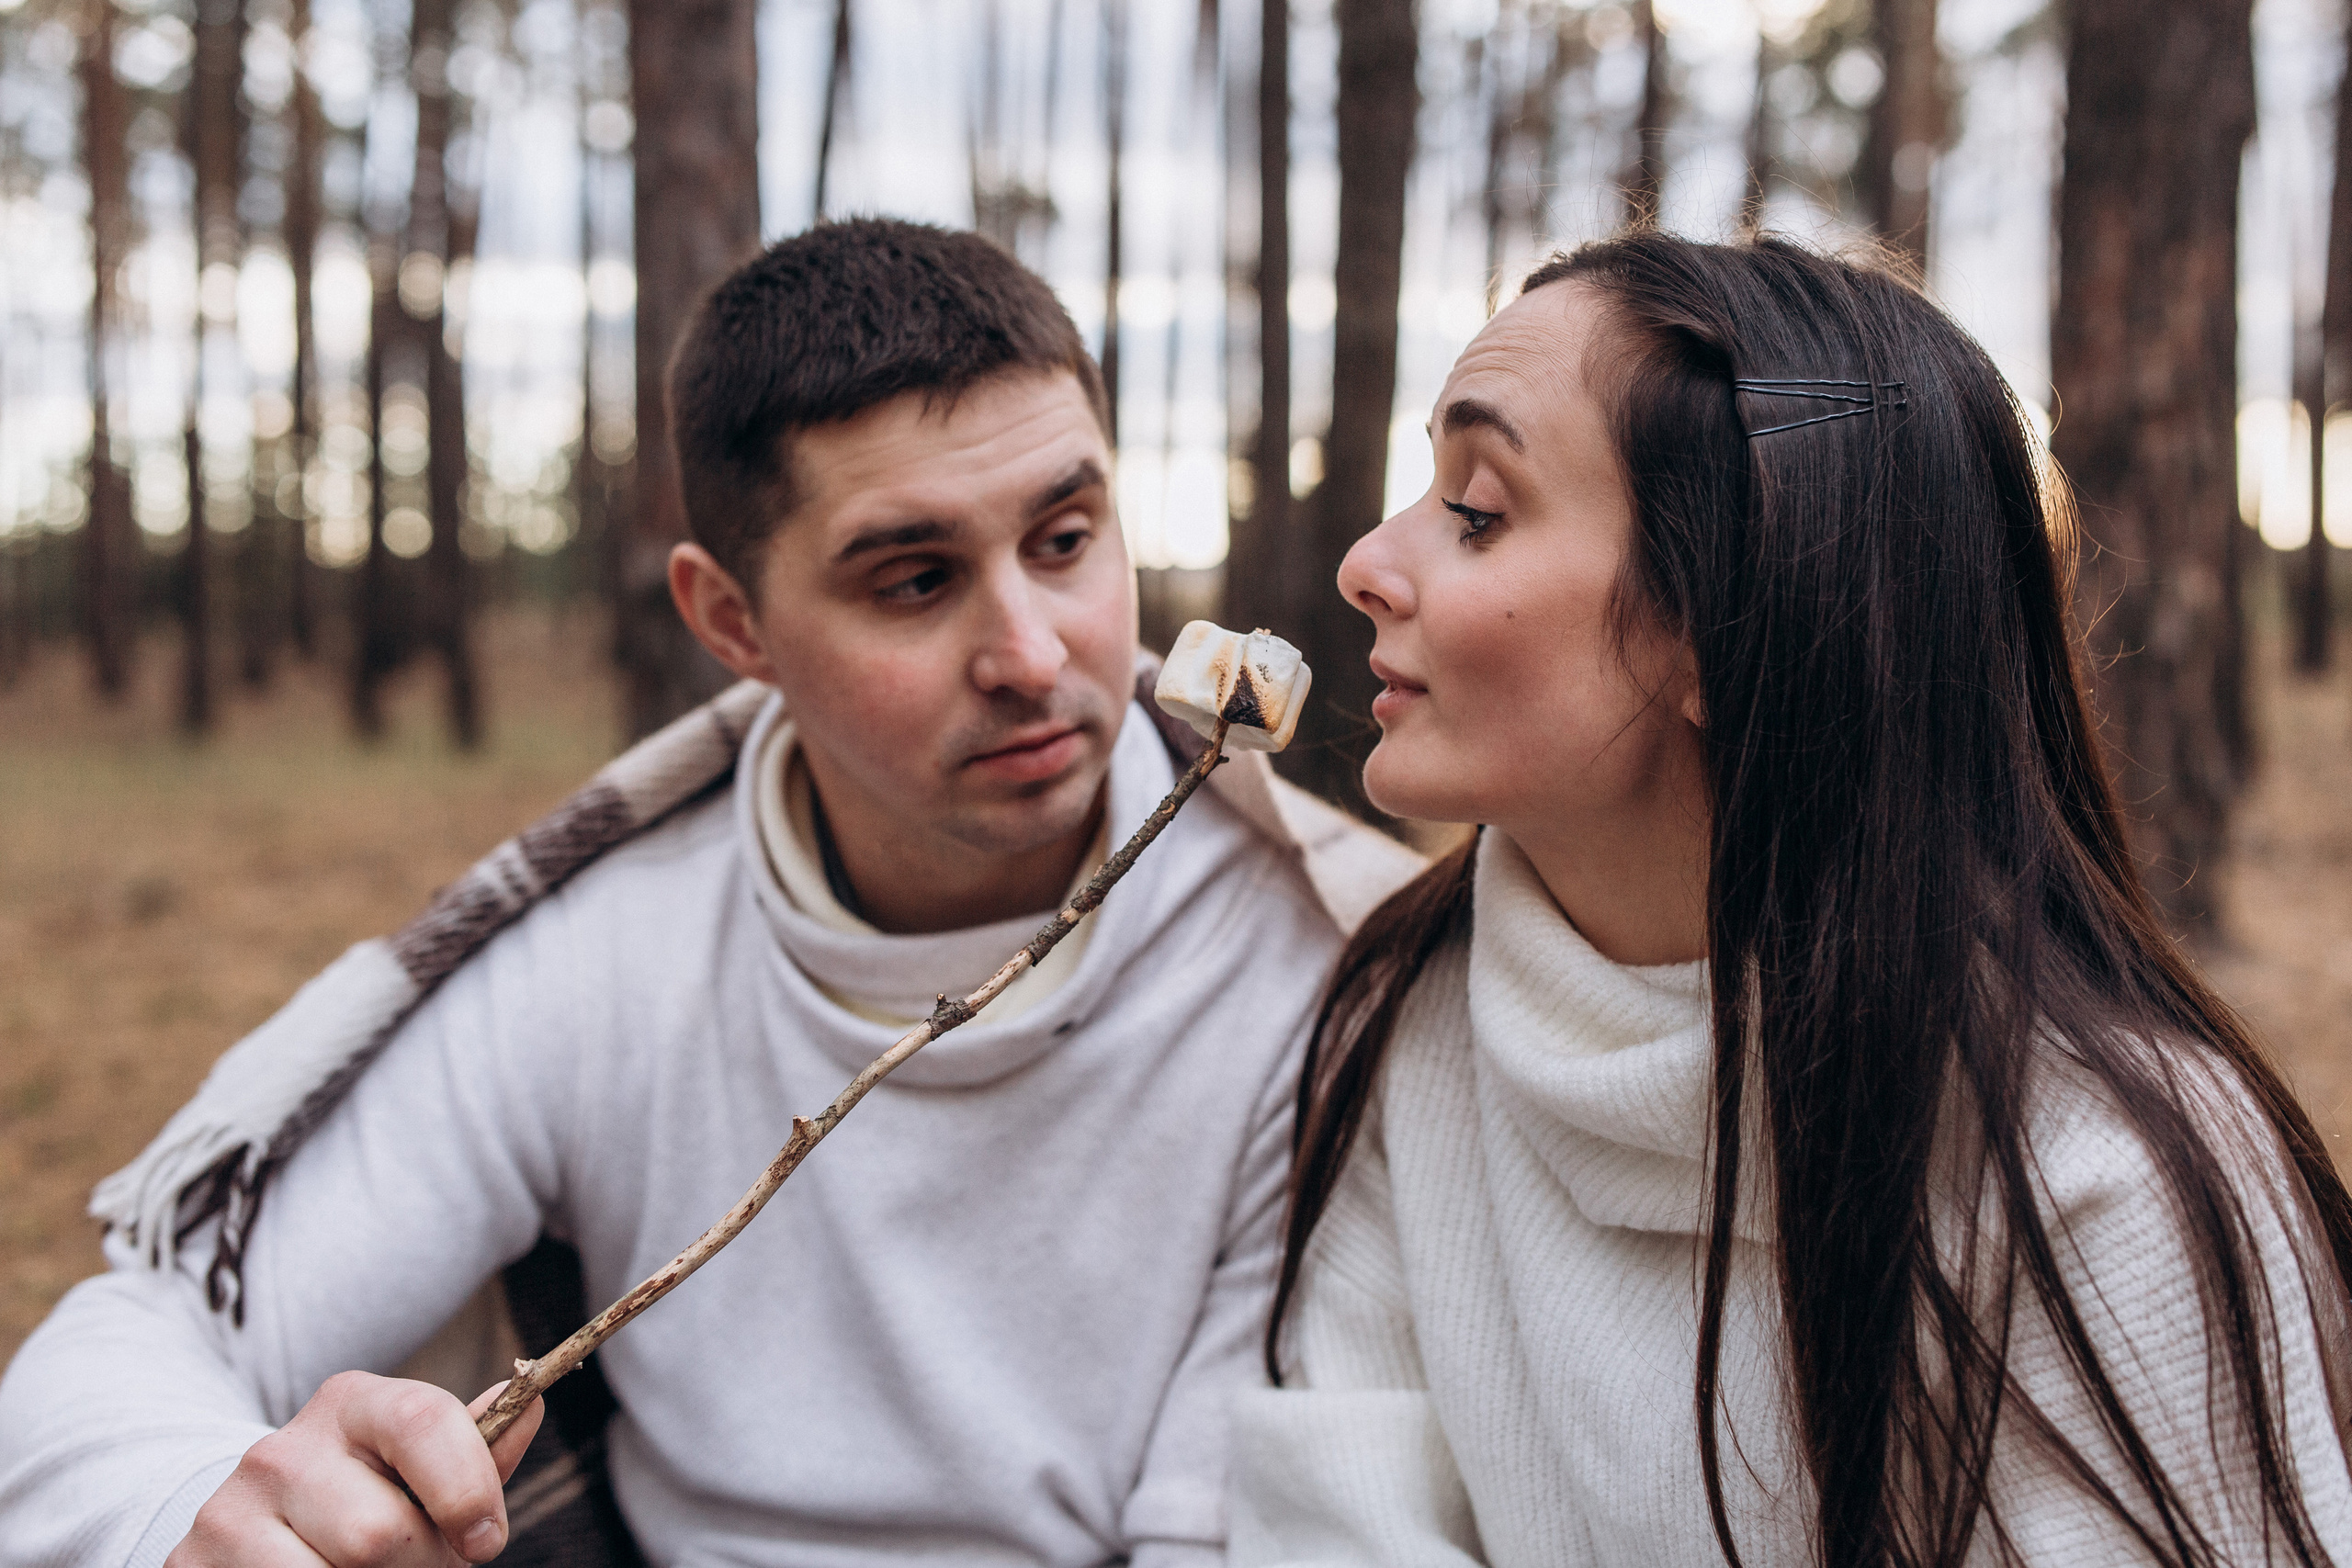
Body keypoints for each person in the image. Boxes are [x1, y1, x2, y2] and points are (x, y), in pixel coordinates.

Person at [0, 219, 1422, 1568]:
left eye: (1064, 542)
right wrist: (191, 1505)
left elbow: (1226, 1526)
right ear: (731, 620)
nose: (1035, 655)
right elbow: (155, 1329)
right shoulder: (610, 946)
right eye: (916, 580)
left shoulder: (1319, 966)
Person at [1227, 231, 2352, 1567]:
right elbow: (1334, 1522)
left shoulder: (2096, 1182)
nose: (1368, 559)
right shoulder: (1403, 1017)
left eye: (1477, 511)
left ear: (1733, 618)